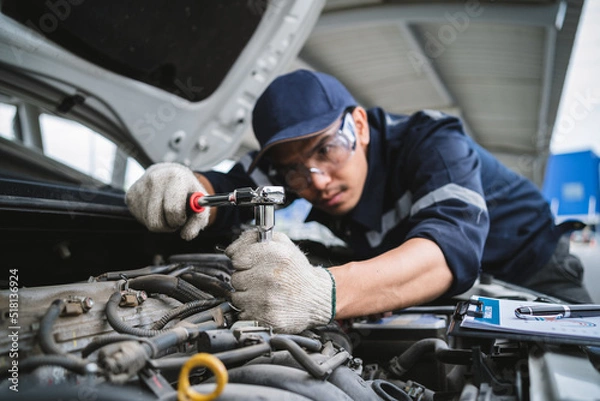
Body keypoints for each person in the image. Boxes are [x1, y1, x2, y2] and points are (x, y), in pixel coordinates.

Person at [125, 69, 593, 334]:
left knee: (580, 365)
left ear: (361, 127)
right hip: (432, 283)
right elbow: (232, 188)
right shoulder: (297, 167)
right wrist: (186, 185)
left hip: (531, 268)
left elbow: (450, 247)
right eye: (293, 169)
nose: (315, 179)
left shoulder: (434, 143)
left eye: (326, 149)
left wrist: (323, 292)